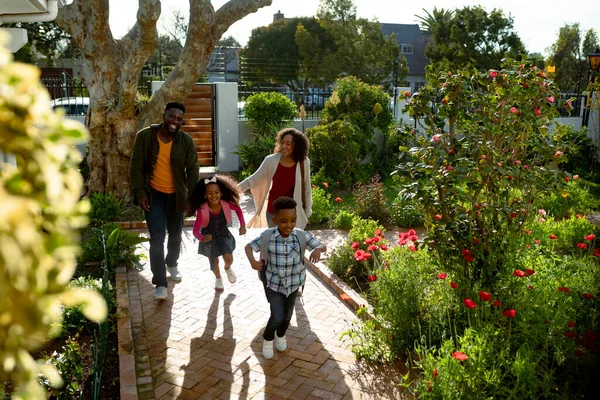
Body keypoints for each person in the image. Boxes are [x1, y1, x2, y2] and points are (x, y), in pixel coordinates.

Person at [129, 101, 199, 301]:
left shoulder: (185, 141)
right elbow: (135, 167)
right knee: (157, 239)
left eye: (179, 119)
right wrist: (140, 192)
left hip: (177, 196)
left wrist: (191, 197)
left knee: (176, 235)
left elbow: (193, 169)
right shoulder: (145, 136)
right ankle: (160, 283)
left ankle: (172, 263)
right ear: (164, 114)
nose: (175, 121)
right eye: (172, 116)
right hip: (153, 197)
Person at [245, 197, 326, 359]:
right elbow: (248, 247)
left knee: (288, 316)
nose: (289, 225)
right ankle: (268, 339)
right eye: (283, 221)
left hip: (294, 284)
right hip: (273, 284)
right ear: (275, 220)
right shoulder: (268, 236)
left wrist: (318, 249)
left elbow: (322, 245)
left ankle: (280, 335)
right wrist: (253, 262)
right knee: (277, 315)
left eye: (293, 220)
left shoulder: (300, 236)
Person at [238, 128, 312, 230]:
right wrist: (232, 191)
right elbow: (253, 180)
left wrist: (308, 210)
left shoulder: (304, 162)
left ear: (297, 146)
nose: (283, 146)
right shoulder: (271, 160)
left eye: (288, 143)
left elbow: (307, 187)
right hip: (274, 213)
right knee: (275, 243)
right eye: (282, 143)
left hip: (293, 214)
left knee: (292, 244)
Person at [189, 174, 247, 291]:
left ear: (221, 193)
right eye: (210, 193)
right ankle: (218, 278)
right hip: (209, 237)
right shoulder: (202, 210)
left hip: (223, 233)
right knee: (213, 261)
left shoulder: (226, 204)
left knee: (228, 257)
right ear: (205, 195)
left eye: (216, 192)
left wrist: (242, 225)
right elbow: (195, 230)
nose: (214, 195)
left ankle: (227, 268)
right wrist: (202, 237)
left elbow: (237, 209)